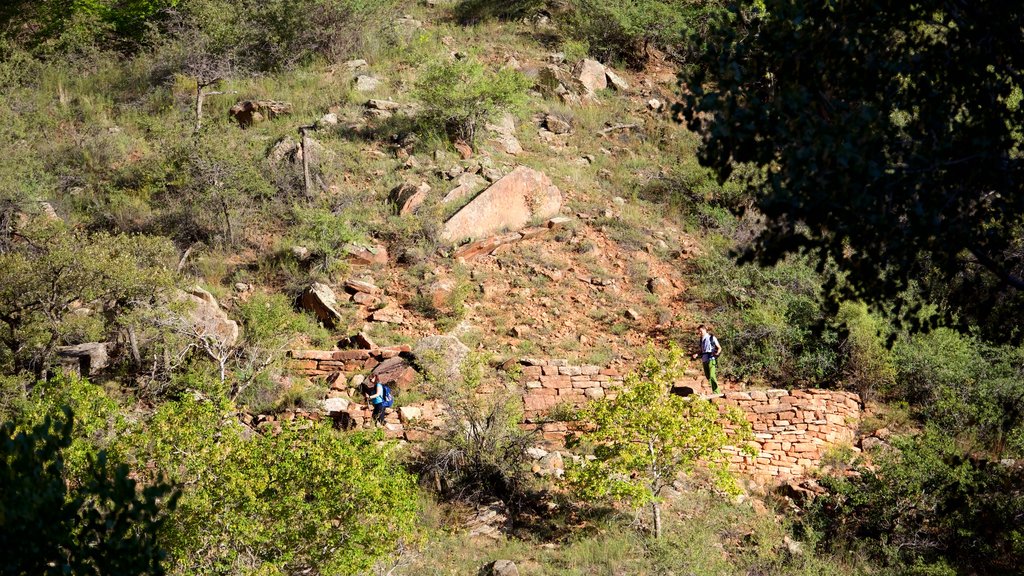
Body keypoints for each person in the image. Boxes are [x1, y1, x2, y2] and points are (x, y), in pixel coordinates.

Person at [691, 324, 722, 393]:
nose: (699, 333)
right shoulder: (701, 340)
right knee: (708, 376)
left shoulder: (712, 338)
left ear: (705, 330)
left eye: (700, 331)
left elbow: (719, 347)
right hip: (704, 359)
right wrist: (696, 354)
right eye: (699, 331)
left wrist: (717, 353)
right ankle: (715, 390)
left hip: (711, 358)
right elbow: (702, 350)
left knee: (712, 375)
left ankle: (716, 392)